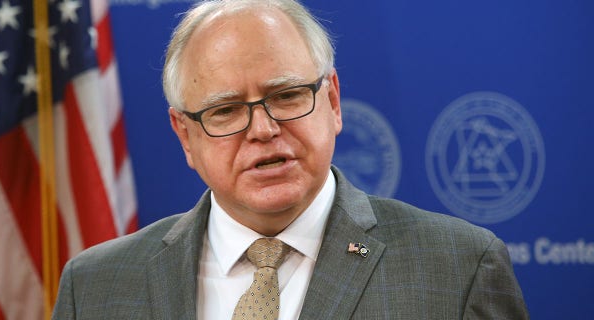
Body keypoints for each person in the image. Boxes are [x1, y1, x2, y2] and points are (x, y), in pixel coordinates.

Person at [52, 0, 529, 319]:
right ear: (185, 136)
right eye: (225, 110)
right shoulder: (94, 287)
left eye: (286, 95)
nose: (263, 129)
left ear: (334, 102)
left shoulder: (459, 268)